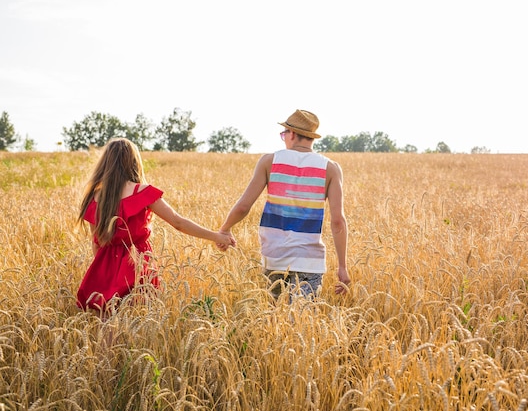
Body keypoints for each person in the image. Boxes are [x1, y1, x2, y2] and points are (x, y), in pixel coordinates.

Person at [76, 137, 235, 313]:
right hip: (136, 263)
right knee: (138, 318)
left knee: (107, 320)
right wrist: (217, 236)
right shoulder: (141, 192)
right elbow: (178, 222)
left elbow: (96, 242)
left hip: (104, 264)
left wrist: (104, 273)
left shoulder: (95, 197)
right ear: (133, 161)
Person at [216, 109, 350, 299]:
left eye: (284, 134)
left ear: (292, 134)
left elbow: (243, 206)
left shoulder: (269, 161)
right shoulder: (330, 168)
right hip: (309, 261)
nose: (284, 137)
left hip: (274, 258)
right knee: (301, 322)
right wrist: (342, 266)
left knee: (276, 323)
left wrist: (225, 229)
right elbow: (338, 221)